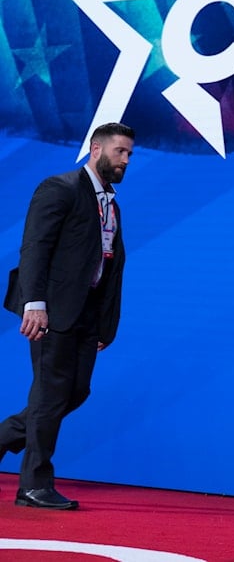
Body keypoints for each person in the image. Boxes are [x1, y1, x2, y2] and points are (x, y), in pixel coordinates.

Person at [0, 122, 135, 510]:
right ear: (97, 149)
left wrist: (105, 323)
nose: (126, 159)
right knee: (49, 395)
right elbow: (35, 248)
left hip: (86, 315)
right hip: (53, 311)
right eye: (120, 151)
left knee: (74, 392)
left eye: (130, 153)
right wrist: (34, 303)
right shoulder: (59, 188)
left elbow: (109, 266)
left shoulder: (110, 204)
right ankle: (34, 485)